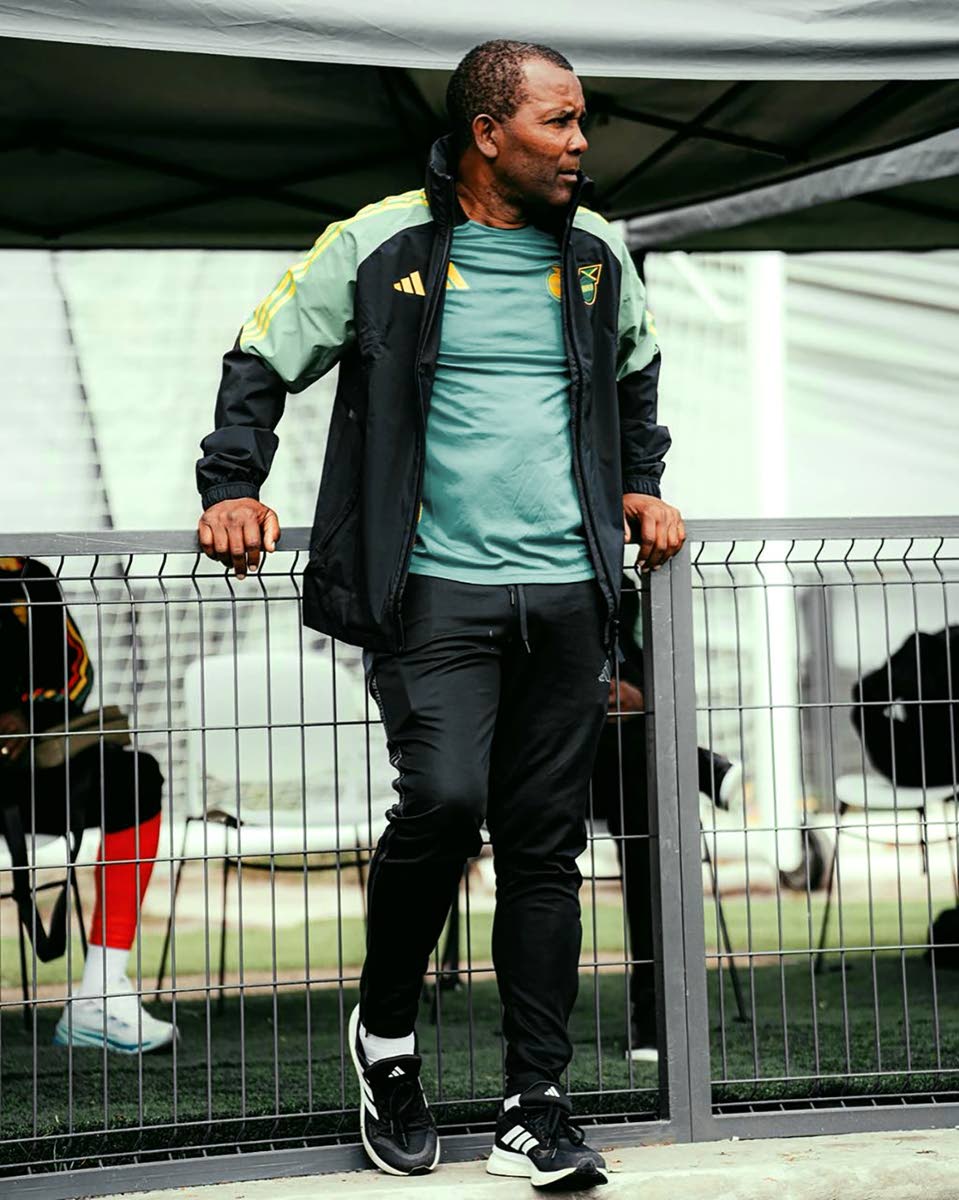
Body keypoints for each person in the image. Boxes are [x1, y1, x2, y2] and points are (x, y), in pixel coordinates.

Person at [196, 40, 684, 1188]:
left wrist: (643, 480)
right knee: (446, 800)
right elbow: (260, 355)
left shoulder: (601, 252)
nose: (578, 145)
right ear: (485, 134)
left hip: (570, 591)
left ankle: (534, 1104)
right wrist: (231, 489)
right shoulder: (376, 244)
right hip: (430, 594)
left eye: (580, 124)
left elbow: (635, 375)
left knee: (544, 849)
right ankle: (388, 1042)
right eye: (557, 124)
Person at [0, 557, 175, 1053]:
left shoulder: (22, 572)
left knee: (133, 775)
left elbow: (76, 671)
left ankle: (99, 993)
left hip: (24, 764)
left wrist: (27, 714)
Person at [591, 575, 742, 1062]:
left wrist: (639, 699)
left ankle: (653, 1015)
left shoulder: (631, 616)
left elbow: (667, 700)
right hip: (551, 782)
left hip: (622, 780)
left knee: (640, 784)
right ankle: (706, 769)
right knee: (636, 757)